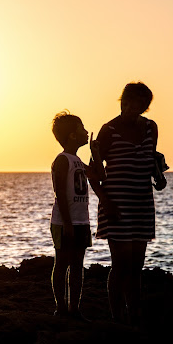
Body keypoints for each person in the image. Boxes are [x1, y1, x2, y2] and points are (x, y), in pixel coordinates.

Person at [89, 81, 160, 327]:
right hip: (116, 204)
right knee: (120, 265)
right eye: (126, 101)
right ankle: (116, 317)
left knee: (137, 265)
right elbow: (93, 173)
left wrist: (159, 177)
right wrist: (106, 203)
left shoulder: (151, 128)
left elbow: (151, 162)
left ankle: (134, 315)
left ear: (144, 106)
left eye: (137, 104)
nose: (129, 107)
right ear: (122, 100)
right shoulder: (108, 130)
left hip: (142, 203)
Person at [49, 111, 103, 320]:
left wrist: (95, 153)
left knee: (78, 266)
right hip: (64, 222)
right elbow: (60, 193)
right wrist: (68, 223)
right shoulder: (62, 160)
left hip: (81, 221)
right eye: (81, 128)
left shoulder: (78, 161)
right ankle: (60, 308)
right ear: (72, 135)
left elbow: (100, 175)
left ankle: (74, 309)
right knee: (62, 263)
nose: (85, 131)